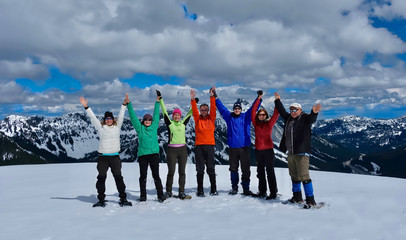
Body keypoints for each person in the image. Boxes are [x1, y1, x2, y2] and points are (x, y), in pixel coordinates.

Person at [79, 96, 132, 207]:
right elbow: (93, 117)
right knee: (101, 178)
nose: (108, 120)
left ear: (113, 120)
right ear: (104, 120)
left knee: (118, 178)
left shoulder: (117, 128)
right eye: (107, 119)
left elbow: (121, 115)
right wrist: (86, 107)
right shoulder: (101, 128)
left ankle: (123, 199)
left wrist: (124, 104)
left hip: (115, 158)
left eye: (110, 118)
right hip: (103, 158)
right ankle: (101, 200)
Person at [274, 92, 322, 207]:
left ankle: (310, 200)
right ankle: (297, 197)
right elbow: (281, 111)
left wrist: (314, 113)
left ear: (300, 110)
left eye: (295, 110)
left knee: (304, 177)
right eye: (291, 110)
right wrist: (277, 100)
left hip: (302, 153)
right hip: (291, 153)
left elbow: (311, 119)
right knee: (294, 176)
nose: (293, 112)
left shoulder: (305, 118)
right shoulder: (288, 119)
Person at [214, 87, 261, 196]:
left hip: (244, 147)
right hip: (233, 148)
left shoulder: (246, 117)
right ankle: (234, 187)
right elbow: (221, 108)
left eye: (238, 108)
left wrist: (258, 98)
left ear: (241, 109)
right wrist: (215, 97)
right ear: (233, 109)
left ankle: (246, 188)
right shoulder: (229, 117)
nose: (237, 110)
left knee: (245, 169)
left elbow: (254, 109)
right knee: (233, 169)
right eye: (235, 108)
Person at [125, 92, 165, 203]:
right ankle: (143, 196)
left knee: (156, 176)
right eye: (146, 120)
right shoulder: (140, 128)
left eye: (149, 120)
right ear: (143, 121)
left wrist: (157, 102)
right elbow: (133, 117)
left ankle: (160, 195)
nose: (147, 121)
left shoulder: (154, 126)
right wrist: (129, 104)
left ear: (152, 121)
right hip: (143, 156)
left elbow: (156, 114)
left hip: (154, 155)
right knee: (143, 177)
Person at [160, 91, 193, 200]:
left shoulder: (183, 123)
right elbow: (164, 112)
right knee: (171, 172)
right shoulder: (170, 124)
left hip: (182, 150)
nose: (177, 116)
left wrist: (193, 102)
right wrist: (161, 100)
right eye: (175, 115)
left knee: (182, 172)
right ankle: (168, 191)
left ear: (180, 116)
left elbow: (189, 114)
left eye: (178, 115)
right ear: (173, 116)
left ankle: (181, 192)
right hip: (172, 150)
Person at [251, 90, 279, 199]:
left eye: (263, 115)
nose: (261, 116)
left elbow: (276, 114)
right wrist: (258, 99)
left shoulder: (269, 124)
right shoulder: (256, 124)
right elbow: (253, 111)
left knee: (270, 172)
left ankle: (273, 193)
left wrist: (277, 101)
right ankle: (262, 191)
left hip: (268, 151)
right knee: (260, 172)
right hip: (258, 151)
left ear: (266, 115)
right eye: (260, 114)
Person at [190, 88, 218, 197]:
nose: (204, 111)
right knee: (200, 169)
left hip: (210, 146)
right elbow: (194, 110)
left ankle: (213, 189)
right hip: (199, 147)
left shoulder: (212, 119)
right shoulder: (198, 119)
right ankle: (200, 190)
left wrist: (212, 97)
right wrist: (192, 99)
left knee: (211, 168)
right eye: (202, 109)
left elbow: (214, 108)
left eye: (206, 109)